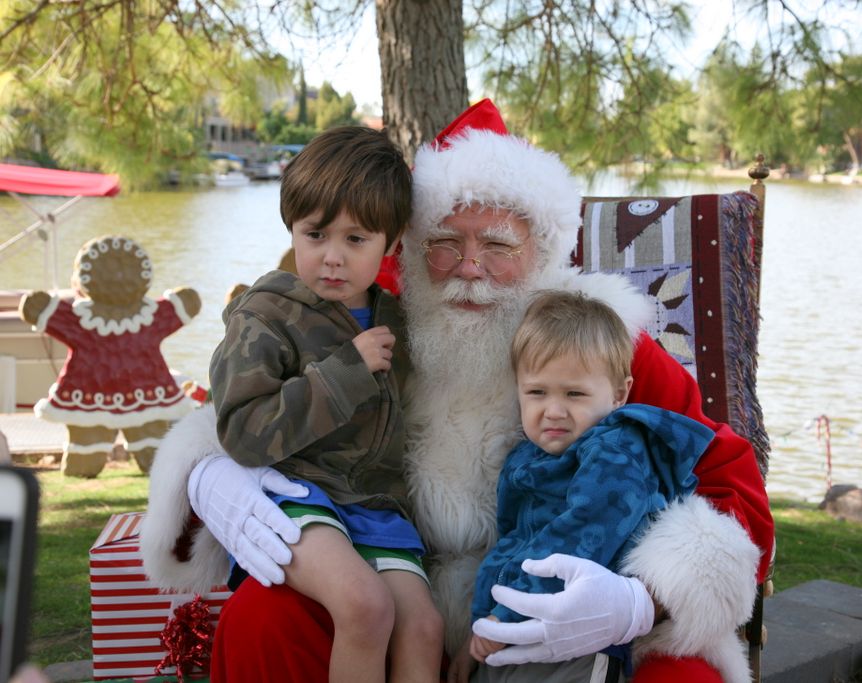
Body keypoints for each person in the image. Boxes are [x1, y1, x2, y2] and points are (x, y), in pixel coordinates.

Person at [141, 99, 773, 683]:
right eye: (445, 244)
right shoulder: (369, 322)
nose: (470, 268)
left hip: (556, 604)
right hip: (383, 577)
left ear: (544, 250)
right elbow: (240, 405)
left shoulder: (598, 342)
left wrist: (641, 601)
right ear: (409, 251)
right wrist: (209, 477)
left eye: (498, 245)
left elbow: (727, 483)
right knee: (264, 620)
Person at [209, 126, 443, 683]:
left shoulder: (400, 322)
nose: (331, 258)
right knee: (366, 606)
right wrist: (344, 374)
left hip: (379, 507)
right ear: (292, 228)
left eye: (356, 239)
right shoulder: (265, 315)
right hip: (299, 494)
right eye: (316, 234)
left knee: (425, 628)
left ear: (391, 243)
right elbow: (241, 431)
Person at [447, 290, 730, 683]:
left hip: (581, 634)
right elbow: (509, 546)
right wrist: (481, 626)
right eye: (536, 392)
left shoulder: (615, 453)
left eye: (574, 394)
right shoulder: (527, 457)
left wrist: (501, 618)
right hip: (514, 626)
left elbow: (584, 534)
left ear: (618, 394)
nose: (554, 410)